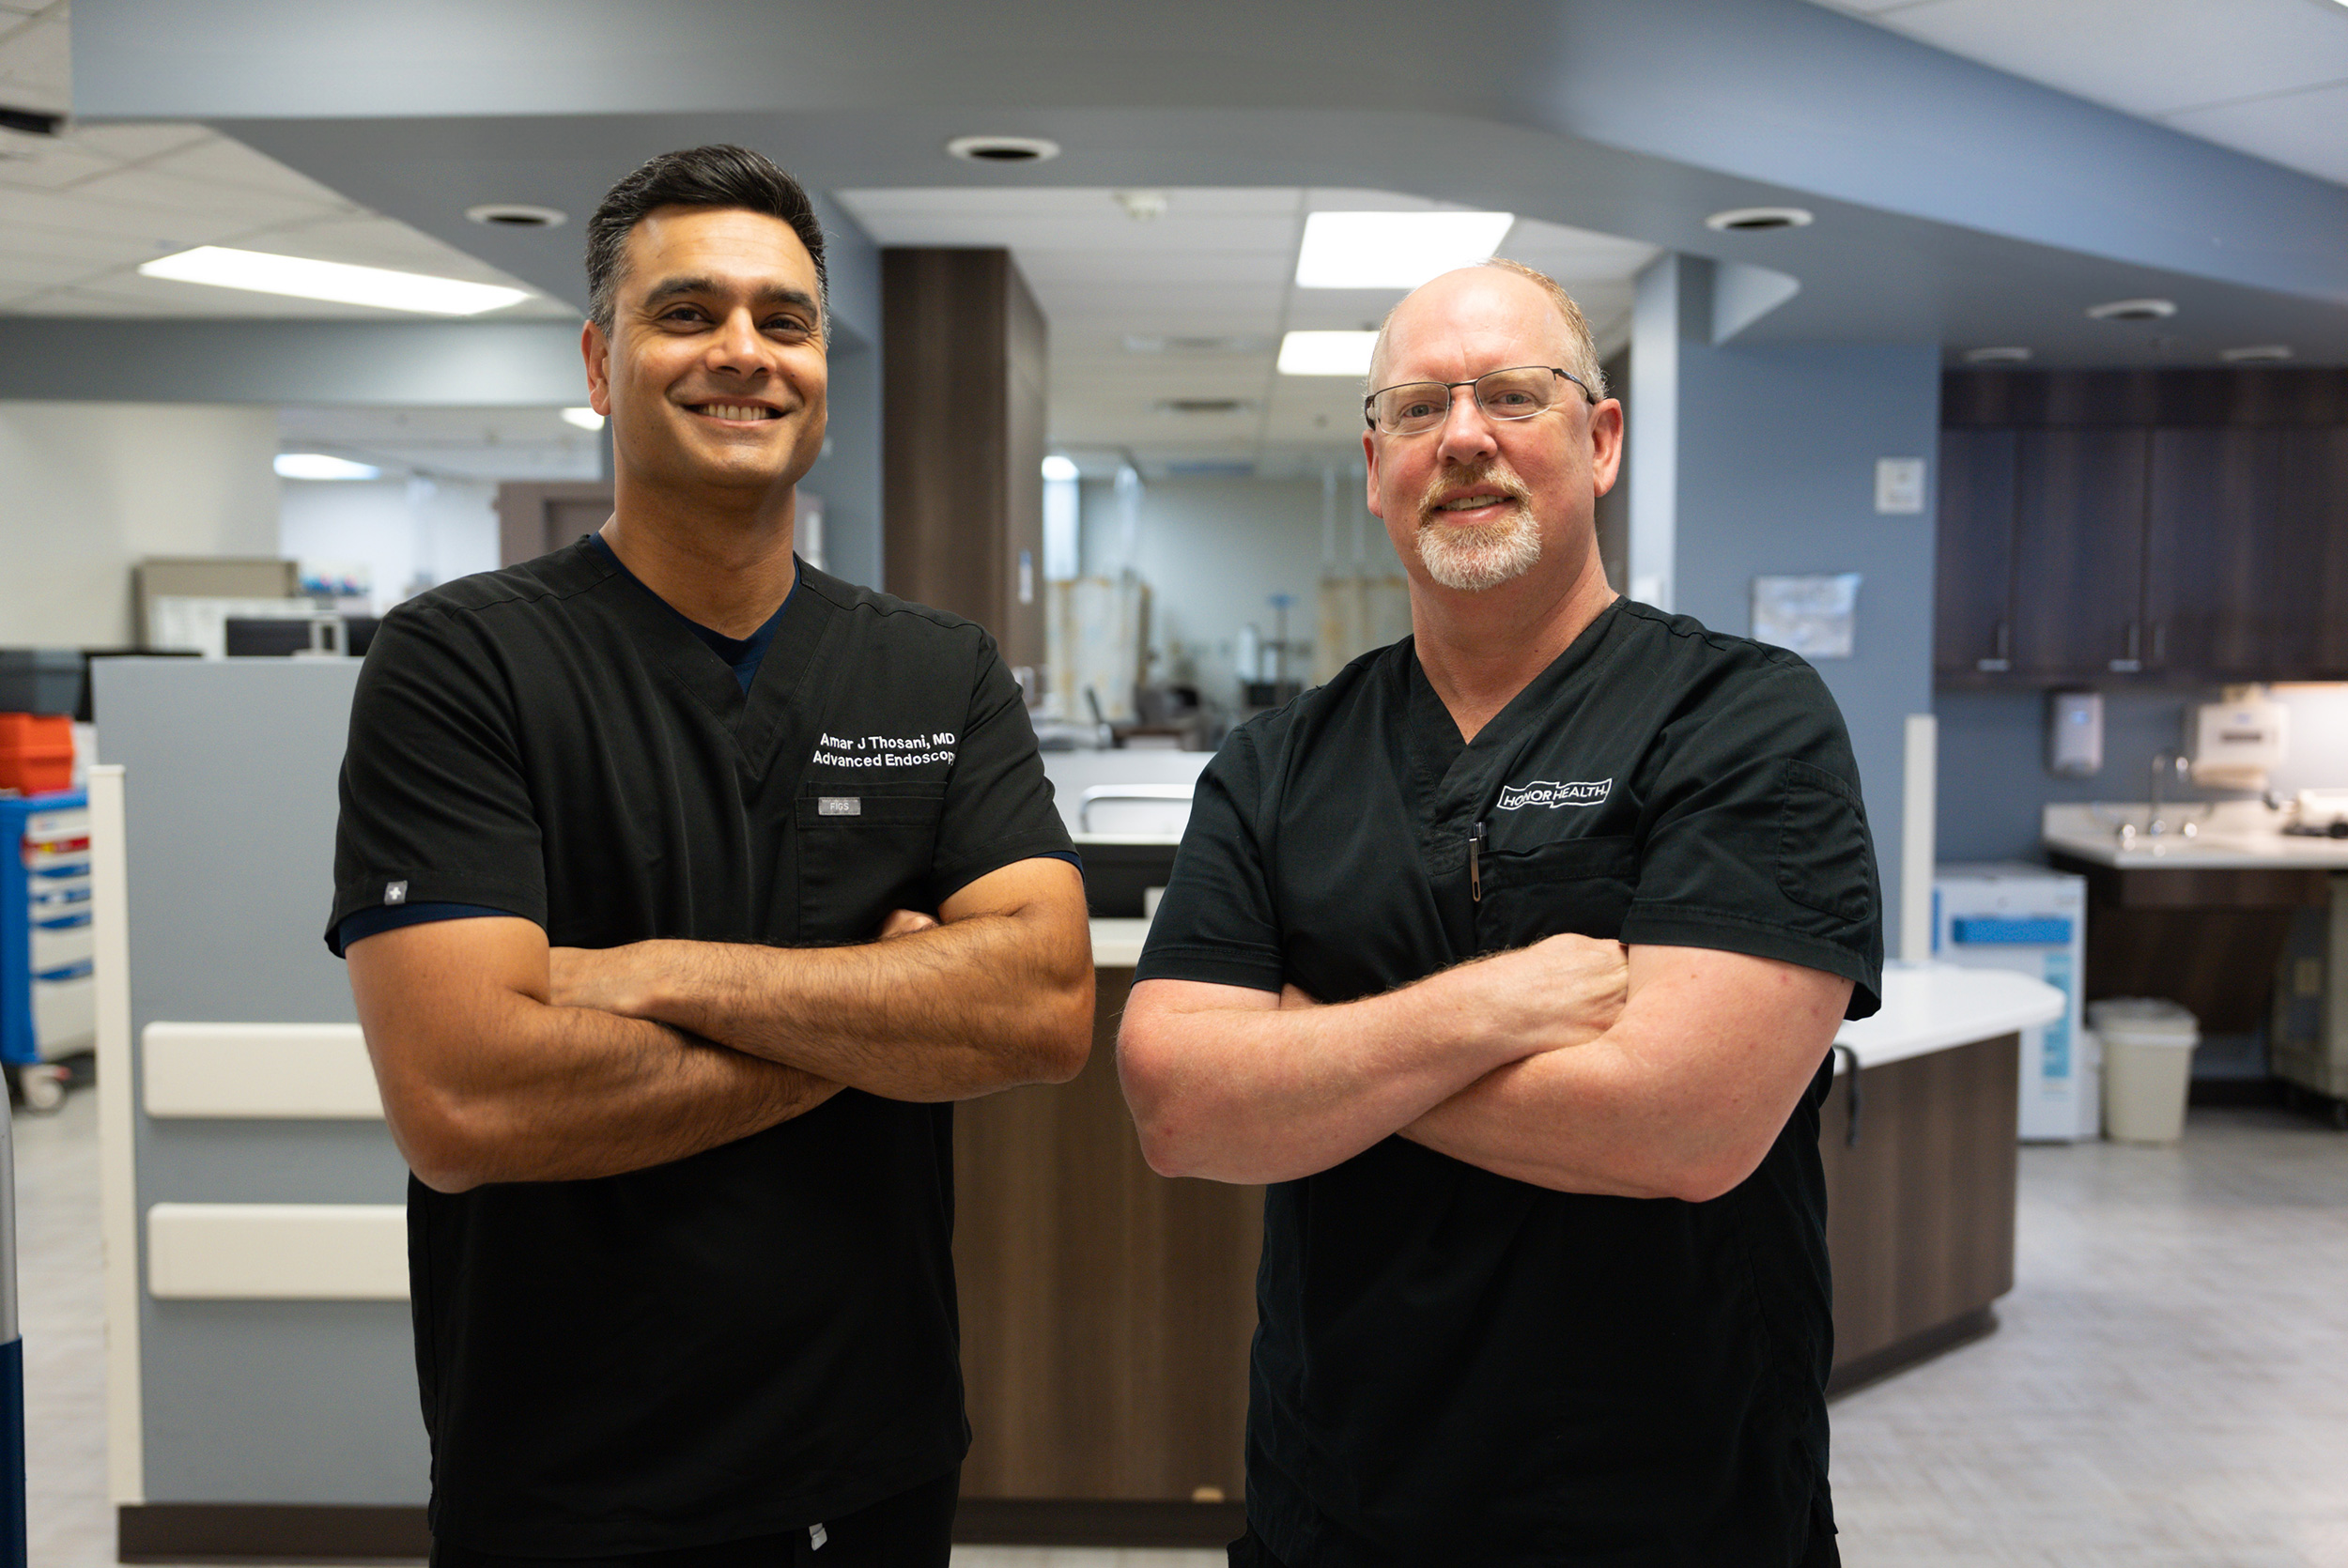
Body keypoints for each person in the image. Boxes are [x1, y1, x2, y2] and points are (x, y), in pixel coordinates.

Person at [330, 145, 1093, 1568]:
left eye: (784, 319)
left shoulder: (936, 670)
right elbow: (462, 1097)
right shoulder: (461, 665)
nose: (743, 351)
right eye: (687, 313)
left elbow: (1045, 1007)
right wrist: (887, 1014)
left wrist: (642, 975)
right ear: (600, 361)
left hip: (873, 1460)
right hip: (568, 1477)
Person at [1118, 258, 1882, 1568]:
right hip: (1336, 1506)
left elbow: (1688, 1121)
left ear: (1600, 439)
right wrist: (1492, 1007)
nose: (1463, 435)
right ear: (1375, 465)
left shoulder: (1743, 720)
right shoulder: (1277, 762)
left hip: (1674, 1511)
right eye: (1418, 408)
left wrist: (1311, 1058)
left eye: (1511, 396)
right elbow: (1180, 1105)